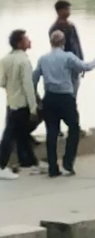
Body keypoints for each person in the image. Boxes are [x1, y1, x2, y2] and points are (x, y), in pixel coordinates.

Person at [33, 30, 95, 177]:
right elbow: (87, 67)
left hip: (49, 97)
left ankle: (53, 167)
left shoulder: (43, 59)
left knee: (52, 132)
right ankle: (68, 164)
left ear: (50, 42)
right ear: (63, 42)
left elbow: (34, 79)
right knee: (74, 129)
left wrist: (38, 99)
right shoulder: (68, 57)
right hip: (65, 99)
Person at [0, 30, 40, 180]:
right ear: (19, 43)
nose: (29, 40)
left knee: (22, 134)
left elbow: (2, 82)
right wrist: (33, 107)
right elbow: (28, 86)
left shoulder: (5, 59)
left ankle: (32, 163)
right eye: (26, 39)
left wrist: (12, 88)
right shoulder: (24, 61)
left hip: (11, 102)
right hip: (22, 104)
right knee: (9, 135)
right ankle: (1, 165)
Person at [50, 0, 83, 95]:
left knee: (74, 90)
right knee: (67, 92)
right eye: (66, 9)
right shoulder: (55, 28)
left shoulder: (71, 26)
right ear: (59, 11)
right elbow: (56, 48)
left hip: (75, 64)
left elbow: (77, 45)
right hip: (64, 66)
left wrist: (81, 61)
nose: (69, 12)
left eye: (69, 9)